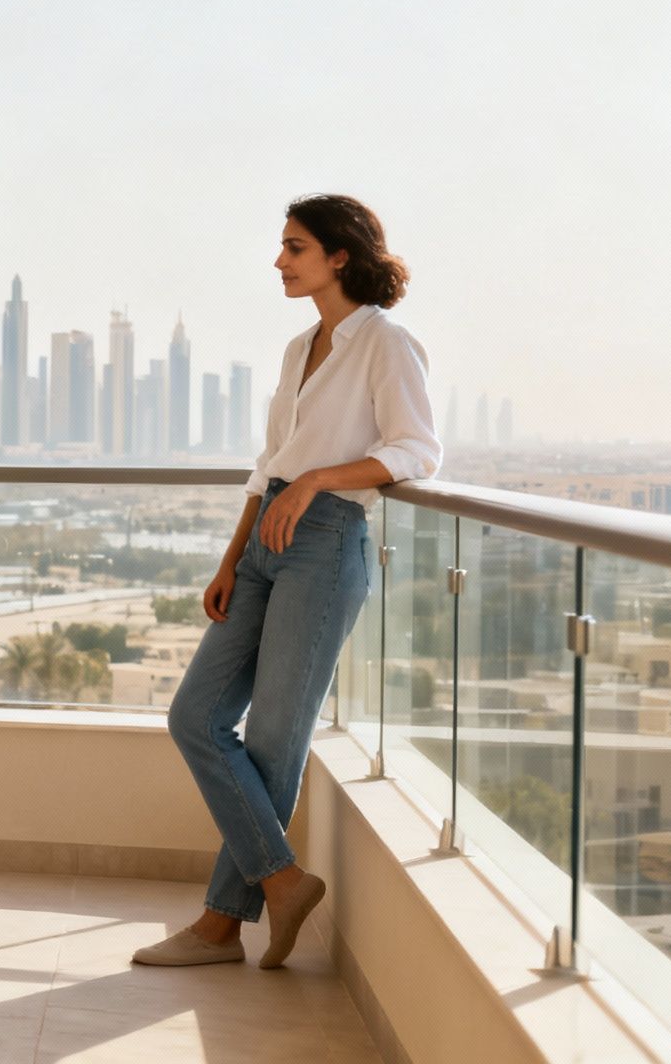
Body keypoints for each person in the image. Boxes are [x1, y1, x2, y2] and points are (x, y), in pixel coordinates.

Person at [133, 194, 441, 970]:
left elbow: (416, 451)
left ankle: (218, 925)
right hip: (267, 539)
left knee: (273, 739)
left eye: (295, 247)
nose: (279, 261)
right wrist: (231, 557)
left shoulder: (386, 343)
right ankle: (283, 880)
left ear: (341, 255)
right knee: (195, 716)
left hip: (326, 542)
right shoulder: (300, 347)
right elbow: (270, 465)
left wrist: (316, 483)